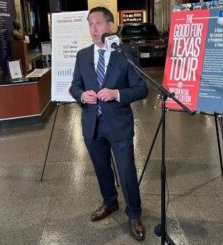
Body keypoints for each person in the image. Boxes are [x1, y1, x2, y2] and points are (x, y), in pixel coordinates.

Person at [70, 7, 148, 241]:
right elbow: (75, 86)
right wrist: (82, 96)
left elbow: (141, 88)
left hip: (119, 124)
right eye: (90, 24)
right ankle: (110, 202)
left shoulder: (125, 53)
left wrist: (116, 93)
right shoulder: (83, 55)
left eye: (99, 23)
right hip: (92, 123)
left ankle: (134, 214)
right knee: (102, 168)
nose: (94, 29)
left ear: (110, 26)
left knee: (126, 170)